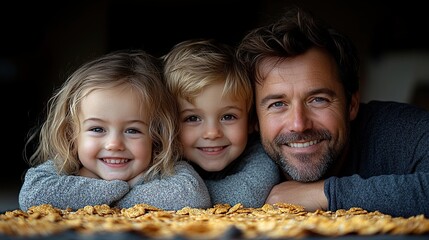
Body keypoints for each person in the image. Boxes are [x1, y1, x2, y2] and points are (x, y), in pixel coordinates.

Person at [236, 6, 429, 217]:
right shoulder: (226, 151)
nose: (299, 124)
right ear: (254, 118)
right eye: (278, 104)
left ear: (352, 104)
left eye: (318, 100)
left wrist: (325, 194)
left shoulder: (403, 131)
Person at [19, 49, 211, 211]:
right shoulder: (67, 166)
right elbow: (31, 194)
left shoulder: (163, 168)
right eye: (97, 129)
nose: (114, 144)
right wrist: (116, 189)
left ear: (156, 136)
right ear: (72, 134)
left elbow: (194, 195)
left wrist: (109, 197)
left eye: (132, 130)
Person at [162, 39, 281, 208]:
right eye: (192, 118)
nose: (212, 133)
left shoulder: (262, 157)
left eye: (228, 117)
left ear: (251, 120)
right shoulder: (158, 155)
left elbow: (247, 195)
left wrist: (184, 192)